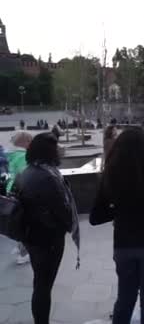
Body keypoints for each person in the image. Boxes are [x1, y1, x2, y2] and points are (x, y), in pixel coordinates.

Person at [90, 127, 144, 324]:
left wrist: (122, 210)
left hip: (124, 245)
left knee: (125, 298)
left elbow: (95, 217)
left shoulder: (110, 175)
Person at [16, 133, 80, 324]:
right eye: (55, 147)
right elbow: (62, 210)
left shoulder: (27, 172)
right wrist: (68, 224)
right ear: (48, 152)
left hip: (32, 237)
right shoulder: (48, 176)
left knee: (40, 283)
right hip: (48, 239)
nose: (59, 150)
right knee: (44, 286)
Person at [6, 131, 33, 265]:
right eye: (30, 141)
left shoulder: (13, 154)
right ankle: (23, 254)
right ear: (24, 142)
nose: (32, 144)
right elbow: (26, 176)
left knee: (21, 221)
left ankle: (18, 247)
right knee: (27, 224)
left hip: (12, 190)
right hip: (21, 193)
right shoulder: (23, 156)